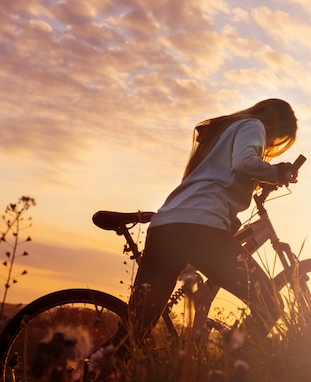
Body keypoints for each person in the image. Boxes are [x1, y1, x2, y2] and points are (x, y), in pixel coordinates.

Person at [127, 98, 299, 345]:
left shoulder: (223, 131)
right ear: (275, 126)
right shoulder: (254, 125)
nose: (271, 144)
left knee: (136, 331)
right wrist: (276, 172)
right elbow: (244, 162)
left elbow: (226, 172)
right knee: (270, 302)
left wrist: (262, 180)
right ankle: (234, 369)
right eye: (277, 139)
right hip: (201, 228)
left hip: (166, 225)